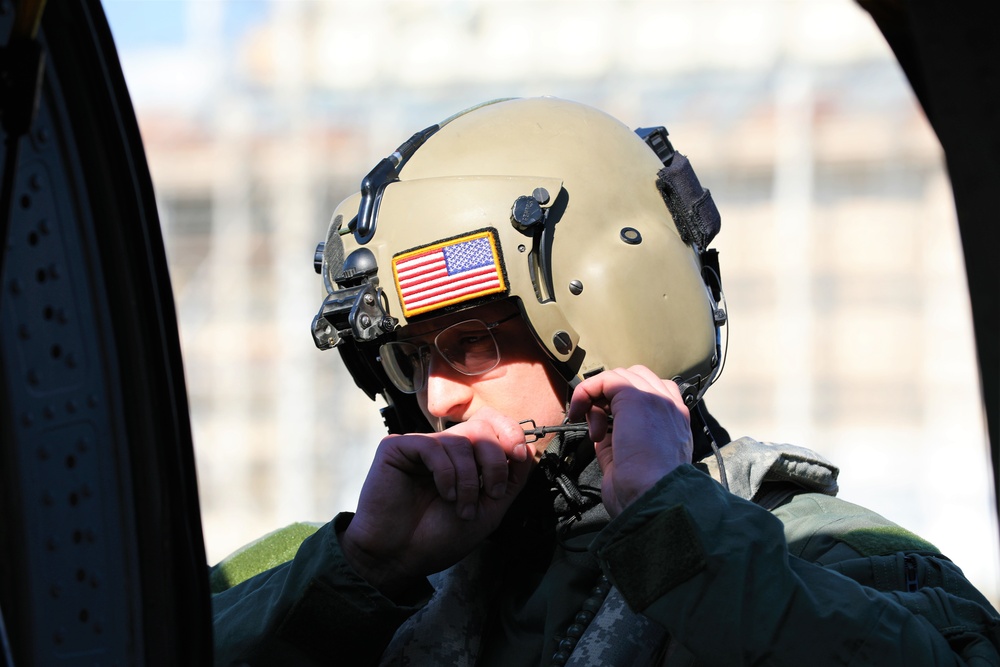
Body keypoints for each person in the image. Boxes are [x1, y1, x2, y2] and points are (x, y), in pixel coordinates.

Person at [209, 97, 1000, 666]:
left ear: (609, 320)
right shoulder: (344, 569)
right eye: (414, 359)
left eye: (470, 343)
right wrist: (359, 574)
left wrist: (678, 542)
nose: (438, 397)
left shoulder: (834, 553)